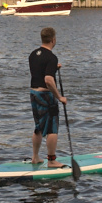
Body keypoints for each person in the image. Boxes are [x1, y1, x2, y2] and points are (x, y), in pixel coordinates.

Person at [29, 26, 67, 167]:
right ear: (53, 40)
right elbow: (48, 80)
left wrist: (53, 68)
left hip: (33, 94)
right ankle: (51, 160)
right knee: (52, 128)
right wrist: (59, 97)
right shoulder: (51, 57)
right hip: (46, 95)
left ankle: (35, 157)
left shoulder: (33, 54)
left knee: (38, 127)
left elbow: (40, 69)